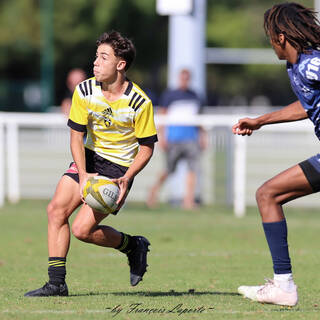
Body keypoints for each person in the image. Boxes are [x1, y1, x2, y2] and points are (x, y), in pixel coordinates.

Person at [24, 31, 158, 297]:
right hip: (88, 157)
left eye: (103, 57)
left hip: (118, 168)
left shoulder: (139, 102)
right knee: (55, 211)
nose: (95, 62)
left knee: (82, 230)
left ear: (120, 65)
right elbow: (76, 136)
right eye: (96, 56)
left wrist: (127, 177)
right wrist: (83, 173)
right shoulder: (84, 91)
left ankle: (132, 245)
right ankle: (56, 283)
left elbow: (146, 147)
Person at [233, 2, 320, 306]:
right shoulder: (297, 67)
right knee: (268, 195)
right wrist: (261, 121)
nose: (270, 43)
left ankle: (284, 285)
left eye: (270, 36)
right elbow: (307, 105)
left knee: (267, 194)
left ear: (281, 37)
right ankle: (283, 286)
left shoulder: (312, 64)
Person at [147, 69, 207, 210]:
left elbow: (199, 118)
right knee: (169, 169)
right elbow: (163, 116)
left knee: (193, 169)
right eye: (182, 78)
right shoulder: (170, 95)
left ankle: (189, 201)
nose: (184, 80)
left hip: (191, 138)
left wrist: (203, 136)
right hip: (174, 139)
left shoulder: (195, 96)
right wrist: (162, 136)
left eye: (187, 78)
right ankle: (153, 192)